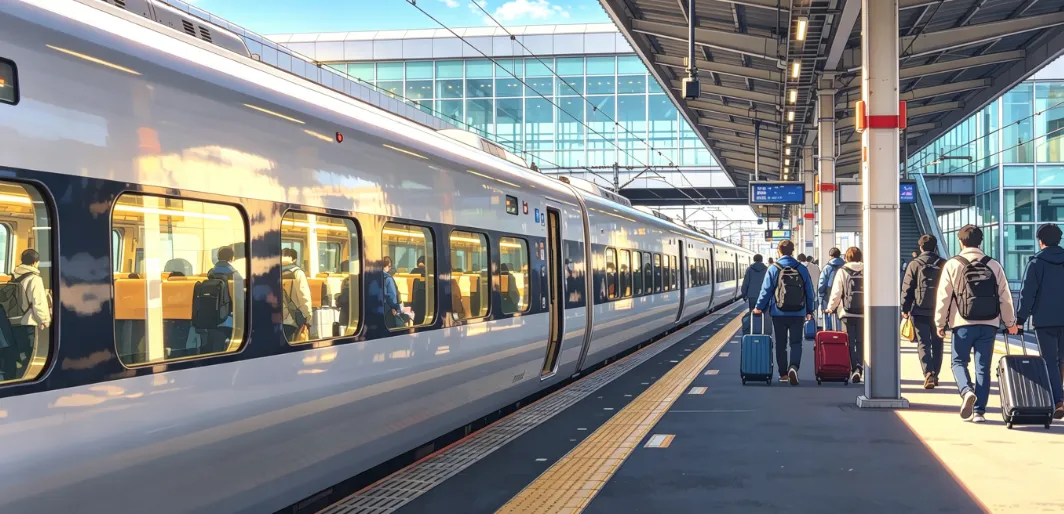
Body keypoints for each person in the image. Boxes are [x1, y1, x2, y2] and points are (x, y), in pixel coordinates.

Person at [935, 225, 1017, 424]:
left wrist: (940, 322)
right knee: (983, 368)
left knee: (958, 362)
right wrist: (1010, 323)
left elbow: (944, 296)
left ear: (960, 241)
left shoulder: (953, 264)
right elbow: (1005, 297)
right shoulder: (994, 265)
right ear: (981, 242)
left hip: (961, 322)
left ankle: (966, 391)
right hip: (989, 323)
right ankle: (979, 412)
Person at [1016, 223, 1064, 419]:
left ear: (1040, 241)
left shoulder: (1036, 263)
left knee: (1050, 361)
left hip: (1044, 321)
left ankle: (1058, 400)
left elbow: (1028, 294)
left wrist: (1020, 319)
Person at [753, 240, 816, 386]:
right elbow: (809, 291)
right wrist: (809, 310)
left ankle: (783, 374)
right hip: (798, 312)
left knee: (781, 344)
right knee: (796, 342)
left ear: (779, 251)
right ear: (792, 251)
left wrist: (758, 307)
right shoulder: (801, 268)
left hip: (778, 312)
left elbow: (766, 291)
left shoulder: (773, 268)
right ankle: (793, 367)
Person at [901, 235, 946, 389]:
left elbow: (907, 288)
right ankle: (935, 374)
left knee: (923, 343)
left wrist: (905, 309)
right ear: (935, 247)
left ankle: (928, 373)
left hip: (919, 310)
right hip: (939, 311)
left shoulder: (915, 264)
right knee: (938, 343)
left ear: (921, 248)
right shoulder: (943, 264)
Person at [826, 247, 865, 384]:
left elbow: (836, 293)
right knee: (861, 341)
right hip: (864, 313)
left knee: (849, 341)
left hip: (847, 312)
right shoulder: (867, 269)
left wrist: (830, 308)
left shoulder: (842, 271)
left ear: (847, 257)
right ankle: (860, 365)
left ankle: (854, 367)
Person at [10, 249, 49, 378]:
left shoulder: (14, 276)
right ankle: (23, 381)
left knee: (18, 355)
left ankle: (14, 378)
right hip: (27, 322)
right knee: (29, 355)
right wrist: (44, 320)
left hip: (13, 321)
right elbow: (38, 302)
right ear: (35, 262)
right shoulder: (34, 279)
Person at [280, 248, 312, 342]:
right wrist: (308, 316)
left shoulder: (273, 272)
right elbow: (304, 296)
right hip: (292, 318)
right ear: (294, 259)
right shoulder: (298, 273)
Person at [818, 248, 845, 327]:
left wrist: (821, 295)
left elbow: (822, 283)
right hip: (843, 295)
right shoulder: (844, 266)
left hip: (828, 294)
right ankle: (839, 331)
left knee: (827, 314)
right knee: (840, 316)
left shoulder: (827, 267)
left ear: (830, 256)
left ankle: (828, 331)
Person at [382, 256, 404, 329]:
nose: (390, 268)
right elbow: (392, 295)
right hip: (388, 309)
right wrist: (395, 308)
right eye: (389, 266)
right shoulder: (388, 278)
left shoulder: (375, 276)